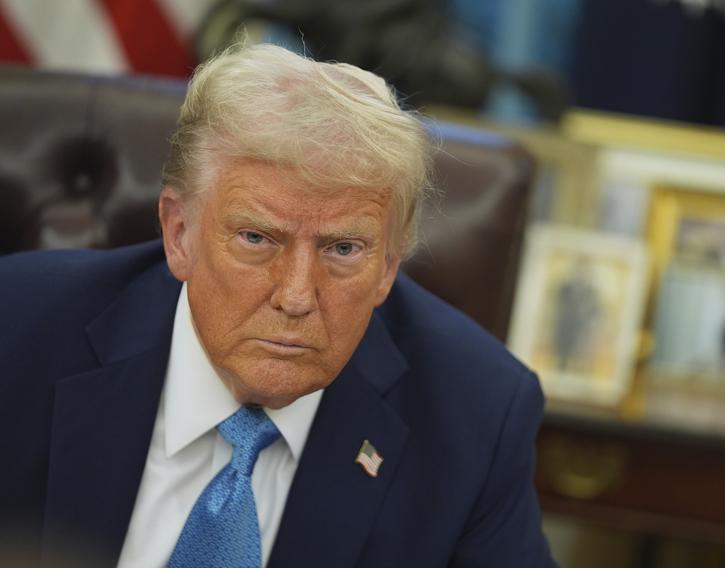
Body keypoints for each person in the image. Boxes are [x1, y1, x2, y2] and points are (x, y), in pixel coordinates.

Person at [0, 43, 554, 567]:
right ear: (179, 234)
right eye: (257, 239)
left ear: (388, 266)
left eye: (343, 249)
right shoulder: (19, 328)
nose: (295, 297)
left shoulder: (477, 416)